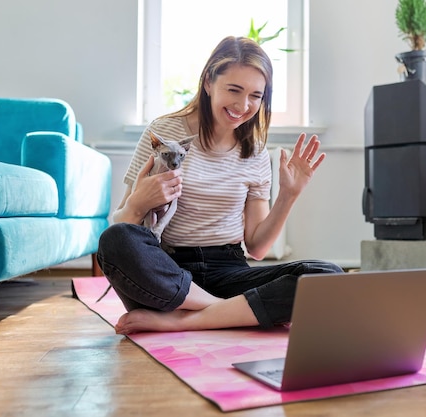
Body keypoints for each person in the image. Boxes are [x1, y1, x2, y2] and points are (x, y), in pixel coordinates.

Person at [96, 36, 343, 335]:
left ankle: (191, 318)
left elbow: (258, 246)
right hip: (168, 270)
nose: (243, 105)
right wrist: (137, 204)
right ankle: (227, 311)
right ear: (209, 82)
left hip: (229, 269)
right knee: (115, 239)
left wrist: (289, 195)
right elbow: (123, 226)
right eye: (234, 90)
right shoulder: (164, 133)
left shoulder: (254, 151)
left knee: (326, 275)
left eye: (256, 96)